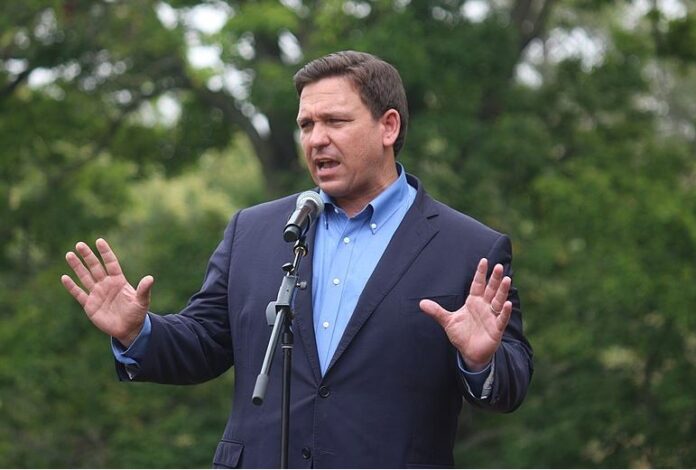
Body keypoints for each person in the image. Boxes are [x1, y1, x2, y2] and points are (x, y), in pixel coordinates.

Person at [61, 50, 533, 468]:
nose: (316, 139)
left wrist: (481, 361)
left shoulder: (467, 247)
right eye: (307, 124)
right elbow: (204, 343)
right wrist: (135, 332)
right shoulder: (256, 230)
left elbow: (510, 383)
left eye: (335, 122)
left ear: (388, 126)